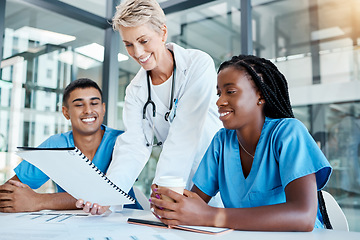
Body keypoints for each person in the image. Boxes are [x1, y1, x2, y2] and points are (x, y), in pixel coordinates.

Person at [150, 55, 332, 231]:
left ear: (260, 95)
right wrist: (172, 204)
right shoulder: (222, 142)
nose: (220, 101)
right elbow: (195, 204)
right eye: (219, 93)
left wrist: (213, 216)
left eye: (230, 92)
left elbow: (304, 216)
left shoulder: (288, 132)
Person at [77, 0, 222, 215]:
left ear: (163, 33)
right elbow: (133, 146)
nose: (137, 52)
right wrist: (107, 195)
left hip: (215, 180)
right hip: (175, 184)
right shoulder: (135, 90)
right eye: (128, 44)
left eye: (143, 40)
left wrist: (163, 190)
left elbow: (184, 133)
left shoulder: (197, 64)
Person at [0, 78, 140, 212]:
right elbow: (9, 192)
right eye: (79, 104)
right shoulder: (55, 145)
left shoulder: (122, 141)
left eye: (94, 103)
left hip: (127, 222)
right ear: (66, 112)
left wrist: (38, 201)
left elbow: (104, 195)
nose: (88, 110)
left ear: (103, 109)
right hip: (72, 225)